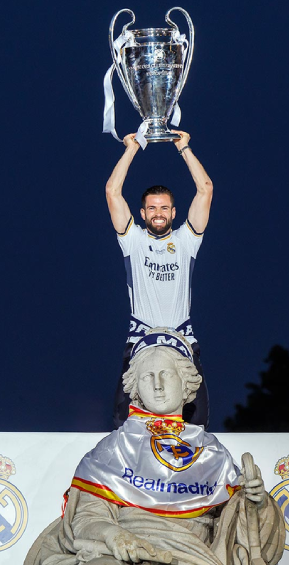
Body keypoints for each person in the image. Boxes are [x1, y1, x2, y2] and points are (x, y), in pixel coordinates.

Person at [24, 331, 284, 565]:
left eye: (166, 374)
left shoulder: (211, 451)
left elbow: (242, 531)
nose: (157, 385)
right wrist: (112, 534)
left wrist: (257, 503)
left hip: (192, 555)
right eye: (148, 376)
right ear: (135, 388)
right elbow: (86, 518)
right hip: (125, 555)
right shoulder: (114, 447)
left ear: (186, 384)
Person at [106, 130, 214, 428]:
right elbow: (112, 192)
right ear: (142, 213)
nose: (158, 213)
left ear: (173, 212)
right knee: (121, 423)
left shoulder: (186, 240)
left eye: (164, 207)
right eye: (152, 208)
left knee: (198, 422)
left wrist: (185, 148)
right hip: (140, 340)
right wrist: (131, 147)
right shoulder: (133, 240)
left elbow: (205, 189)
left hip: (183, 340)